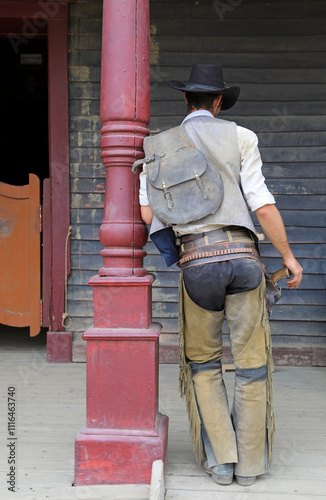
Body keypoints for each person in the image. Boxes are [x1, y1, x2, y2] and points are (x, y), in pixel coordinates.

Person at [138, 63, 303, 486]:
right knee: (251, 364)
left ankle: (221, 462)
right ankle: (249, 466)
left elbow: (147, 212)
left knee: (203, 366)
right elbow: (262, 204)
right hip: (245, 261)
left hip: (197, 267)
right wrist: (289, 257)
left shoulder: (156, 146)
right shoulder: (242, 136)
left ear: (186, 100)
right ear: (216, 101)